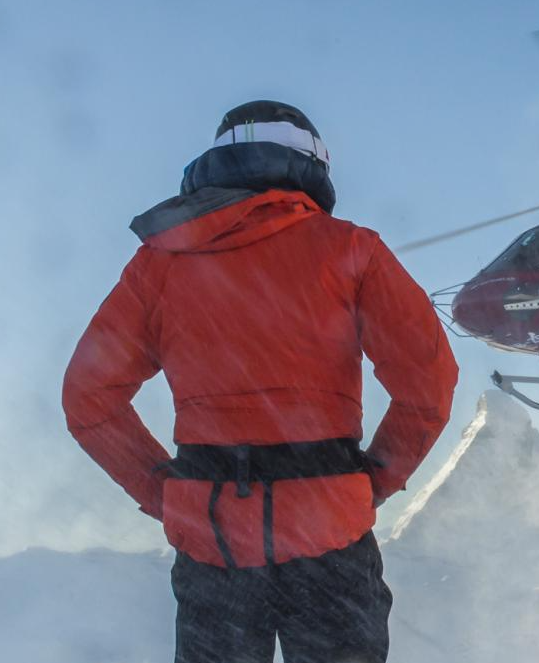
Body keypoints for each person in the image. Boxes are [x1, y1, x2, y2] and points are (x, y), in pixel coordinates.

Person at [62, 100, 459, 663]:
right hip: (331, 535)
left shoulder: (159, 264)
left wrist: (164, 493)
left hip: (210, 541)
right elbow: (429, 383)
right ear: (313, 163)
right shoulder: (351, 249)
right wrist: (374, 481)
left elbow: (88, 399)